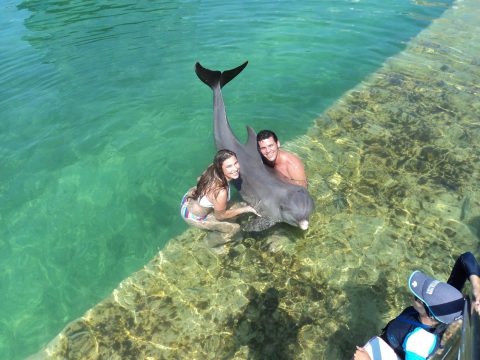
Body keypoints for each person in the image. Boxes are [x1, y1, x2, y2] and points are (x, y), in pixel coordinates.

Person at [353, 252, 480, 360]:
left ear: (429, 313)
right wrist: (476, 285)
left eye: (418, 298)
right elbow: (466, 258)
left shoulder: (419, 342)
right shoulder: (448, 302)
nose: (413, 296)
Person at [180, 149, 258, 236]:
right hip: (193, 216)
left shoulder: (213, 167)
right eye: (229, 166)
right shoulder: (221, 191)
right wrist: (247, 209)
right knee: (234, 228)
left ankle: (211, 204)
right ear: (220, 168)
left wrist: (209, 196)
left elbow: (199, 179)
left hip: (189, 197)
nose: (235, 168)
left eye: (236, 163)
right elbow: (219, 216)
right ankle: (209, 243)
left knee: (237, 207)